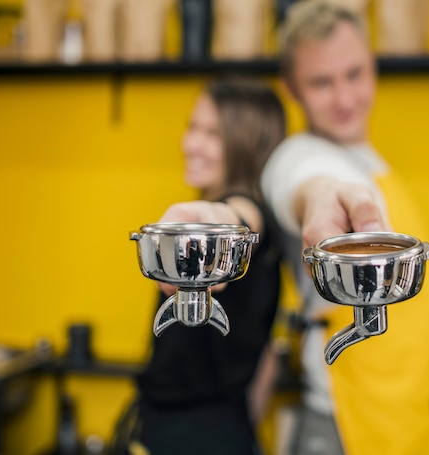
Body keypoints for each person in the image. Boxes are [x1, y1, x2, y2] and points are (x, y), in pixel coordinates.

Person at [260, 1, 429, 454]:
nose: (343, 98)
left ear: (372, 66)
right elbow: (306, 182)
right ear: (291, 89)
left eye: (354, 74)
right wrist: (323, 200)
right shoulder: (297, 157)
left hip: (425, 417)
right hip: (351, 427)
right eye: (321, 82)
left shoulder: (371, 161)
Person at [131, 78, 286, 455]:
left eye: (213, 133)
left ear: (248, 144)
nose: (191, 144)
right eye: (192, 127)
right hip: (209, 428)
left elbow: (239, 217)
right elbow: (271, 351)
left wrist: (210, 218)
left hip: (194, 436)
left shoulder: (248, 217)